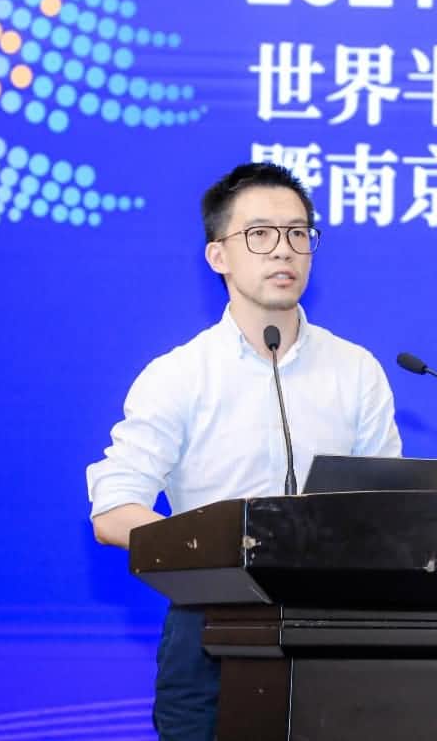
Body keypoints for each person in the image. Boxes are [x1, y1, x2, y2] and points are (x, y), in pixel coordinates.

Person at [86, 162, 402, 741]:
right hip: (211, 629)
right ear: (218, 256)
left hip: (338, 634)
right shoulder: (179, 375)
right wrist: (216, 552)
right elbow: (113, 512)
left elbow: (389, 508)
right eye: (259, 234)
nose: (283, 250)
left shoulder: (356, 370)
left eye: (298, 233)